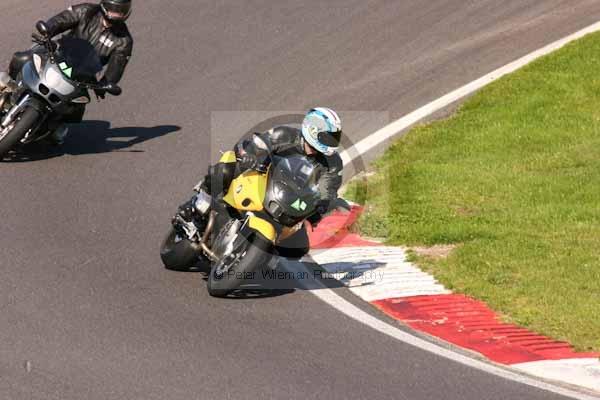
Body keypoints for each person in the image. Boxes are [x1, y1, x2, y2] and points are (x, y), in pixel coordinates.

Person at [201, 107, 344, 257]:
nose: (332, 142)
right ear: (313, 130)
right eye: (329, 137)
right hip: (260, 181)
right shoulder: (284, 135)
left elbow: (328, 188)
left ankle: (257, 259)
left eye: (335, 137)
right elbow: (255, 145)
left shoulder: (332, 163)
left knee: (299, 248)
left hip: (288, 202)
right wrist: (250, 155)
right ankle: (203, 201)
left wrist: (324, 204)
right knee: (225, 171)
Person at [3, 0, 133, 144]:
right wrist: (48, 30)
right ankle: (5, 86)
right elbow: (62, 20)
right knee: (22, 58)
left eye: (121, 11)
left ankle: (51, 126)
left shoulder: (124, 41)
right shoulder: (87, 11)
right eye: (114, 9)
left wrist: (106, 84)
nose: (117, 14)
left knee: (73, 112)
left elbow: (117, 67)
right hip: (58, 53)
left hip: (81, 75)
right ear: (105, 6)